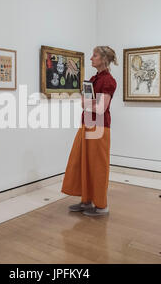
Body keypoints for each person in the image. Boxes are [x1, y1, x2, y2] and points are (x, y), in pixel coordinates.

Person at [61, 46, 118, 216]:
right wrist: (87, 103)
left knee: (98, 166)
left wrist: (85, 103)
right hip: (87, 124)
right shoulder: (93, 78)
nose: (91, 58)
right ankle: (86, 200)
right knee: (82, 163)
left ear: (104, 59)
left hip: (99, 127)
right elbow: (92, 103)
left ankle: (101, 205)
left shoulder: (108, 81)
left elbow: (101, 108)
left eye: (95, 56)